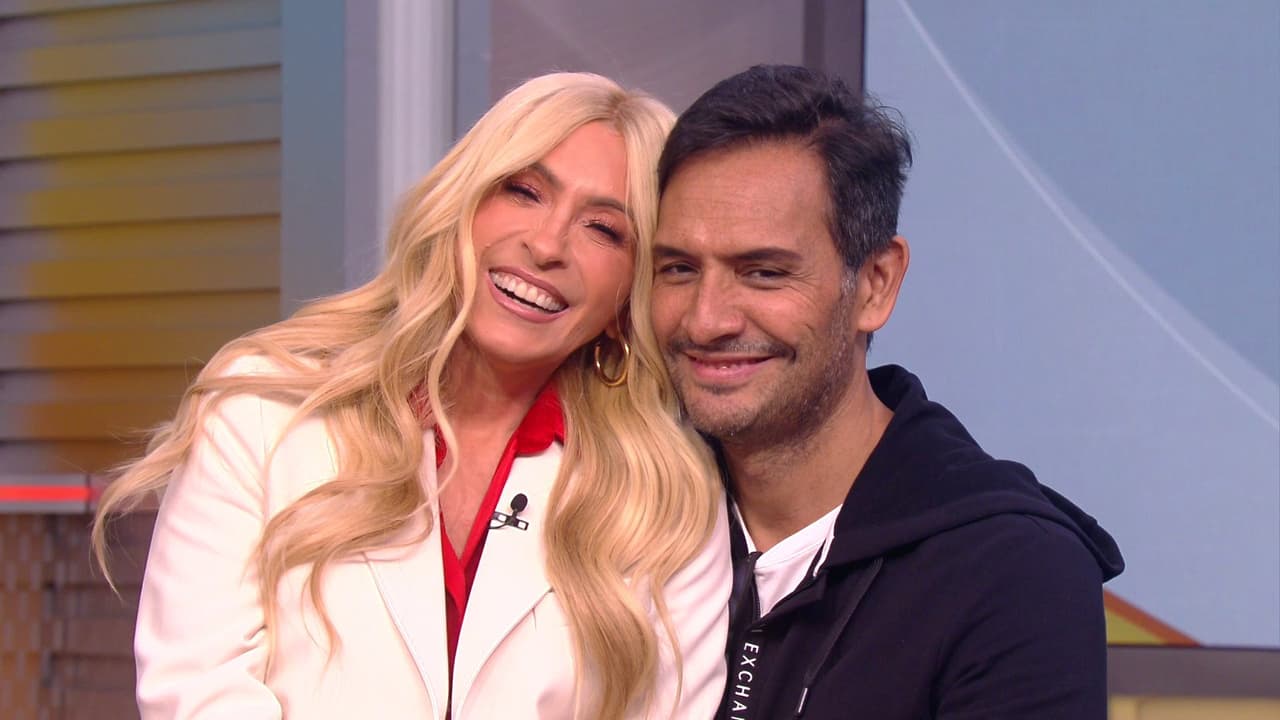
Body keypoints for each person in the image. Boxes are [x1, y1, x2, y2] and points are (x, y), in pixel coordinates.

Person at [92, 72, 731, 720]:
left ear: (630, 297)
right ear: (462, 207)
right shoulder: (264, 410)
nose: (546, 245)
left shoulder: (671, 495)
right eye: (524, 191)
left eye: (604, 230)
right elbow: (197, 692)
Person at [648, 64, 1125, 719]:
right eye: (678, 268)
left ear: (876, 284)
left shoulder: (1014, 572)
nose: (706, 320)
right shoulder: (625, 513)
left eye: (763, 273)